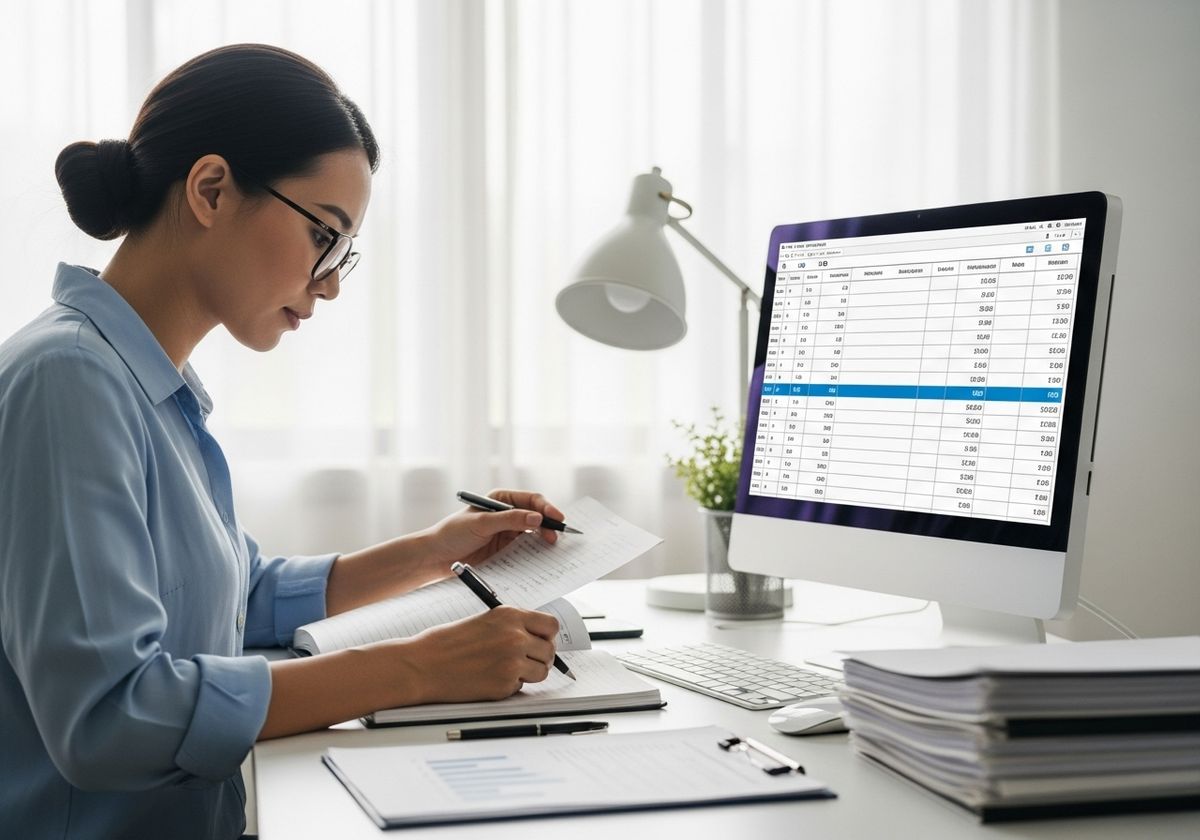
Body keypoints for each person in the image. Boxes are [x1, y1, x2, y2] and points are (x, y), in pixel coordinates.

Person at [0, 44, 566, 840]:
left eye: (344, 253)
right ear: (211, 190)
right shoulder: (67, 381)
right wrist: (418, 669)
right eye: (322, 236)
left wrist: (437, 551)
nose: (330, 281)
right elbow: (110, 717)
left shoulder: (145, 385)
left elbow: (237, 597)